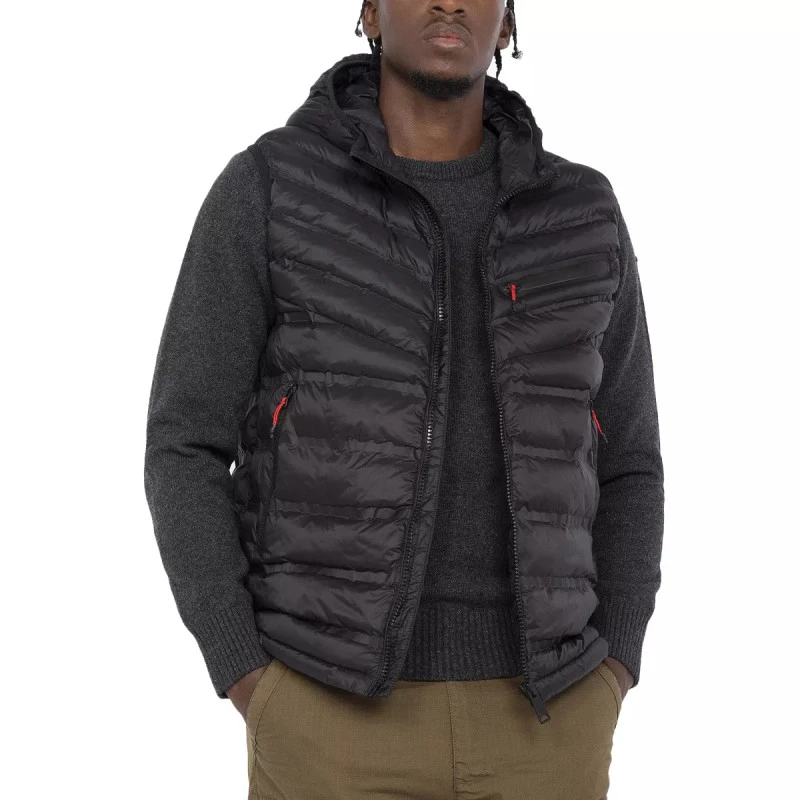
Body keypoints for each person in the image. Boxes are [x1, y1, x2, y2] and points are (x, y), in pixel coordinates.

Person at [143, 1, 665, 797]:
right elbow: (185, 440)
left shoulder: (581, 215)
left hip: (549, 724)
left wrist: (616, 663)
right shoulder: (272, 188)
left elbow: (630, 457)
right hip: (327, 719)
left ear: (508, 22)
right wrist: (248, 674)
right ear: (370, 13)